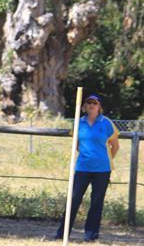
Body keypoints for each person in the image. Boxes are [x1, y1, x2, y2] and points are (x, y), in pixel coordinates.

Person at [55, 94, 120, 242]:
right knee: (73, 199)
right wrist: (87, 156)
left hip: (102, 170)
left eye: (95, 103)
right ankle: (62, 234)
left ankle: (90, 236)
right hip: (82, 167)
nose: (91, 105)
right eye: (89, 102)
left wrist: (105, 160)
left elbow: (115, 146)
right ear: (84, 106)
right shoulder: (79, 123)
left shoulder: (107, 123)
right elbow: (77, 145)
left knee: (96, 203)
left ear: (99, 107)